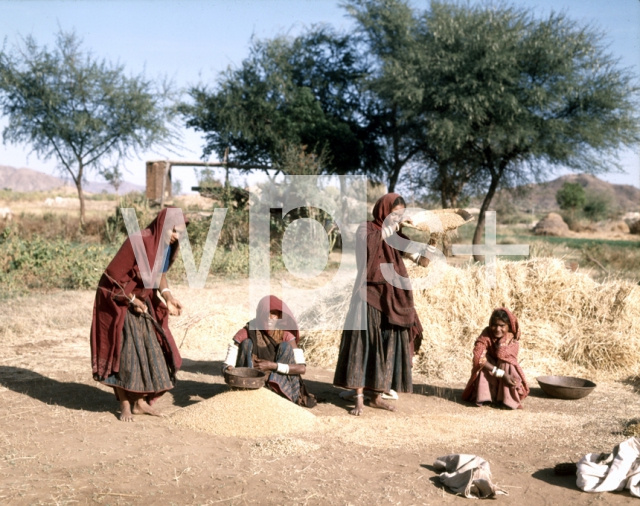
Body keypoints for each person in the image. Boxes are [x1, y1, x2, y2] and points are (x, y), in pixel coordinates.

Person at [333, 193, 430, 416]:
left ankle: (376, 396)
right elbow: (371, 245)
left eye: (401, 215)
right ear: (383, 211)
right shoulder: (366, 229)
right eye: (394, 214)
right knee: (362, 344)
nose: (397, 219)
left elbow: (423, 262)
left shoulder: (397, 236)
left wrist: (434, 238)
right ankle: (358, 397)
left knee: (386, 345)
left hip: (391, 298)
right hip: (368, 296)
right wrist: (394, 225)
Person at [90, 207, 187, 421]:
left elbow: (159, 275)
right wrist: (131, 300)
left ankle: (140, 403)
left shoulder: (165, 248)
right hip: (118, 300)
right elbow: (113, 276)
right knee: (125, 353)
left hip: (142, 300)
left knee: (151, 351)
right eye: (173, 231)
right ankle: (125, 404)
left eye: (179, 232)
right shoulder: (139, 241)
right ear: (162, 225)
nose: (176, 237)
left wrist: (168, 297)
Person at [223, 295, 316, 407]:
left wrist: (272, 366)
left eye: (274, 314)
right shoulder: (247, 331)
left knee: (285, 346)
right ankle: (248, 392)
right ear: (259, 315)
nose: (269, 318)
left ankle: (278, 393)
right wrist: (229, 369)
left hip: (280, 389)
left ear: (279, 316)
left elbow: (301, 368)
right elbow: (228, 364)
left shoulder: (286, 335)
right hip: (252, 384)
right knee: (247, 343)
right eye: (266, 313)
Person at [461, 308, 530, 409]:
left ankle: (507, 400)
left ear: (509, 326)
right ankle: (486, 397)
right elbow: (478, 357)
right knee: (484, 361)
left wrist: (505, 374)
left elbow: (506, 357)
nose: (497, 329)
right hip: (492, 370)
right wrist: (501, 374)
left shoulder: (511, 339)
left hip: (506, 371)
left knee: (506, 363)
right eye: (494, 325)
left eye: (502, 326)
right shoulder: (486, 334)